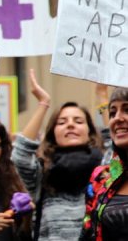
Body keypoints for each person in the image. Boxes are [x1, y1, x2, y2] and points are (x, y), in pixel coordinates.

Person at [11, 70, 102, 240]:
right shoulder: (42, 170)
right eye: (62, 122)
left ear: (90, 131)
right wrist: (43, 103)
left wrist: (102, 96)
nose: (70, 125)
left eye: (78, 121)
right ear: (53, 133)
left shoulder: (105, 169)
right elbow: (20, 156)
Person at [81, 87, 128, 240]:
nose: (117, 118)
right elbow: (88, 233)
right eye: (112, 113)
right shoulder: (102, 177)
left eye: (127, 110)